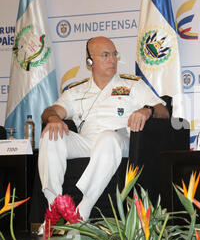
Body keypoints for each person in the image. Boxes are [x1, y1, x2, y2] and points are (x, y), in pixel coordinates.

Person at [38, 36, 169, 222]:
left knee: (108, 138)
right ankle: (54, 208)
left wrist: (147, 110)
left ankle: (82, 210)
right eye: (105, 55)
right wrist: (52, 118)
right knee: (50, 136)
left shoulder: (132, 84)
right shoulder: (76, 90)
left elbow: (164, 111)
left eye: (114, 54)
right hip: (87, 142)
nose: (112, 60)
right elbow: (50, 111)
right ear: (90, 61)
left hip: (120, 142)